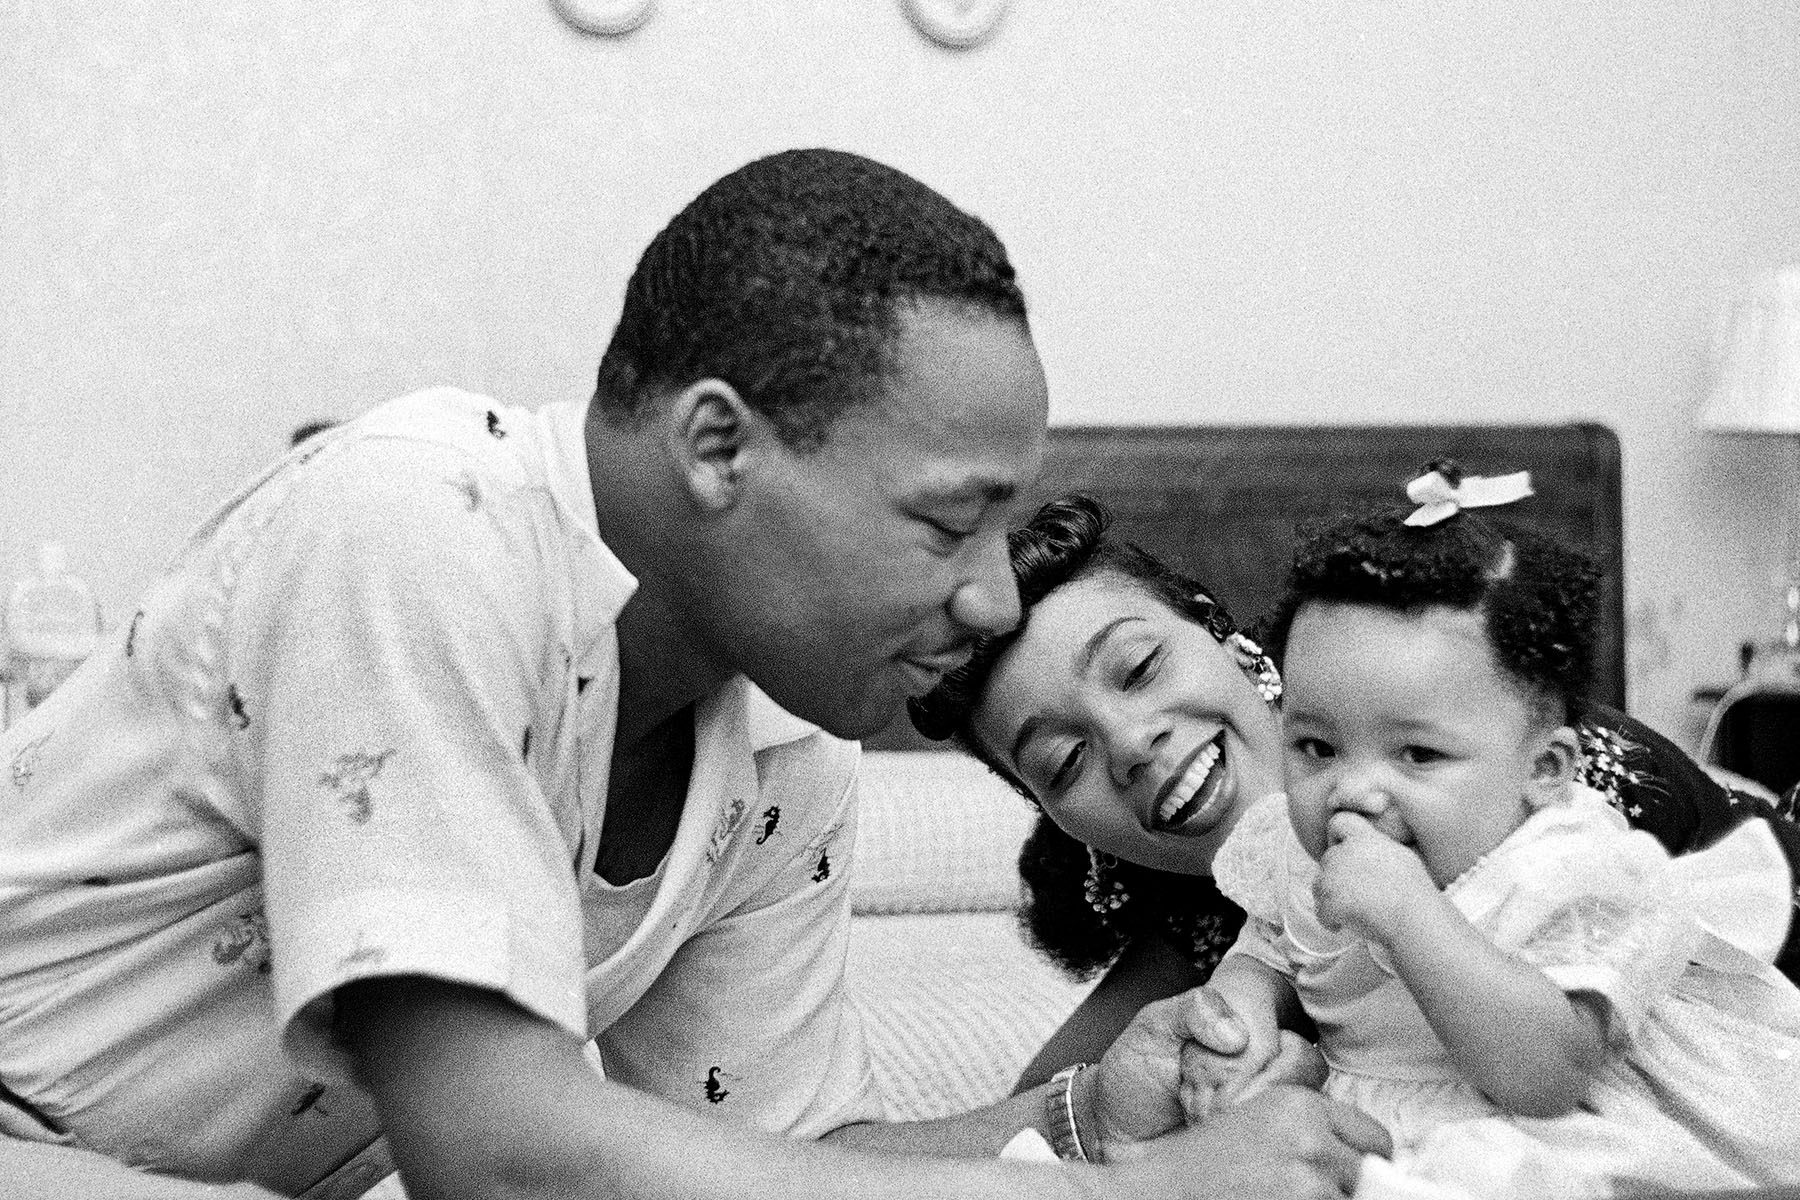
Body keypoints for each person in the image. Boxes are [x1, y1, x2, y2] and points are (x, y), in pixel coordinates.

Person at [0, 148, 1387, 1200]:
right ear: (720, 448)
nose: (989, 593)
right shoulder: (420, 526)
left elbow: (795, 1163)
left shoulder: (788, 741)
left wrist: (1094, 1114)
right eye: (949, 521)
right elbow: (494, 1149)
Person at [909, 487, 1800, 1093]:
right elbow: (1048, 1110)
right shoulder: (1223, 910)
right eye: (1064, 763)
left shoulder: (1529, 794)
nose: (1133, 744)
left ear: (1232, 643)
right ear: (1064, 825)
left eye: (1139, 667)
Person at [1182, 480, 1800, 1195]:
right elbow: (1273, 952)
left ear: (1543, 769)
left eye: (1418, 755)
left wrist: (1413, 916)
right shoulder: (1297, 851)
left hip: (1549, 1129)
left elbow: (1546, 1076)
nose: (1351, 790)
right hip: (1374, 1116)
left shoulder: (1568, 869)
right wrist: (1243, 1017)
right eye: (1317, 747)